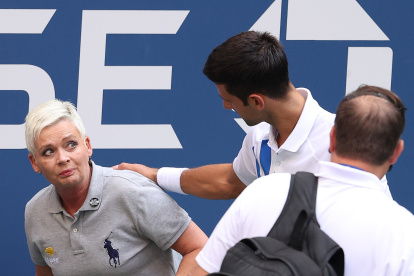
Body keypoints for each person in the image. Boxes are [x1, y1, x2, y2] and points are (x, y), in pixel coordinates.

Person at [193, 85, 414, 275]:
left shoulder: (263, 191)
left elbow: (203, 271)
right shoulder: (405, 234)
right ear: (396, 152)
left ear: (333, 137)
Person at [114, 30, 361, 200]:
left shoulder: (342, 147)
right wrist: (155, 175)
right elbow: (229, 181)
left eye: (228, 100)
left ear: (256, 101)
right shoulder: (259, 136)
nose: (226, 107)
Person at [24, 99, 208, 276]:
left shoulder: (132, 192)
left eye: (71, 145)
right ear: (35, 163)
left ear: (87, 146)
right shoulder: (35, 211)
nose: (63, 158)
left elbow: (201, 249)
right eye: (48, 151)